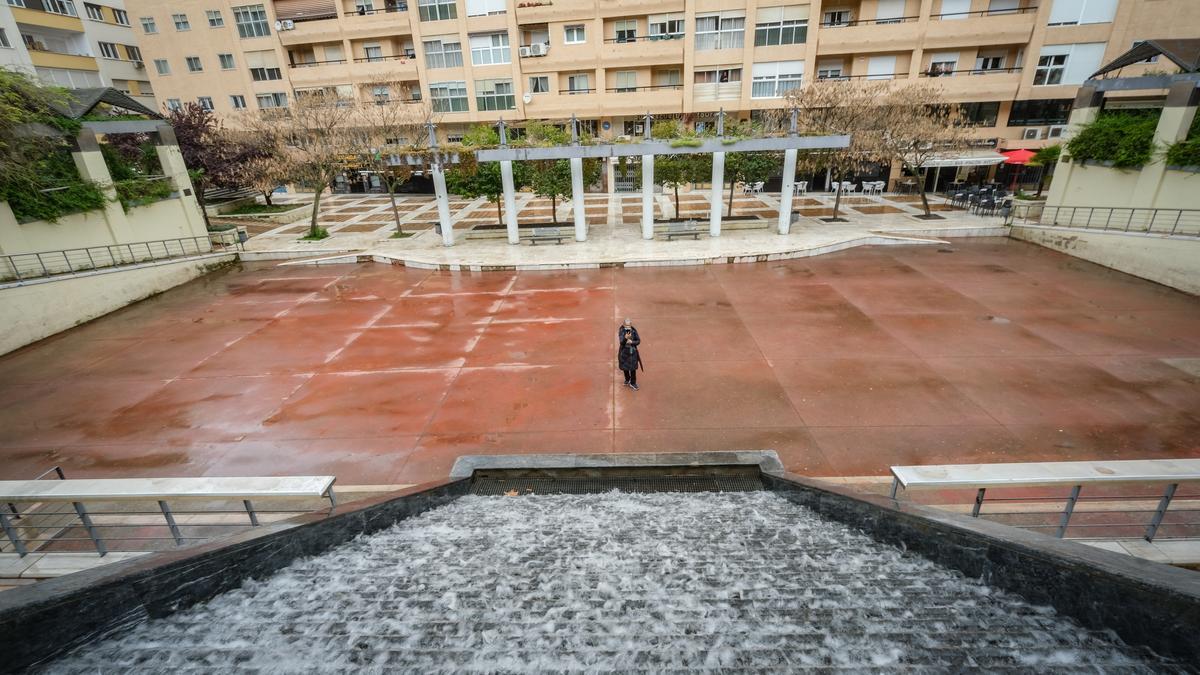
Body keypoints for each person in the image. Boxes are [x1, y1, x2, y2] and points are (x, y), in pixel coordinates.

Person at [617, 318, 643, 390]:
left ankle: (633, 382)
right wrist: (625, 338)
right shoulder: (621, 331)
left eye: (629, 326)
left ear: (631, 325)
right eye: (626, 326)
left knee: (633, 368)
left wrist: (632, 342)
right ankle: (627, 379)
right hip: (624, 353)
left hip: (632, 352)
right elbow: (621, 342)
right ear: (623, 325)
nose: (627, 328)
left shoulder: (634, 331)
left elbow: (638, 341)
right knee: (625, 368)